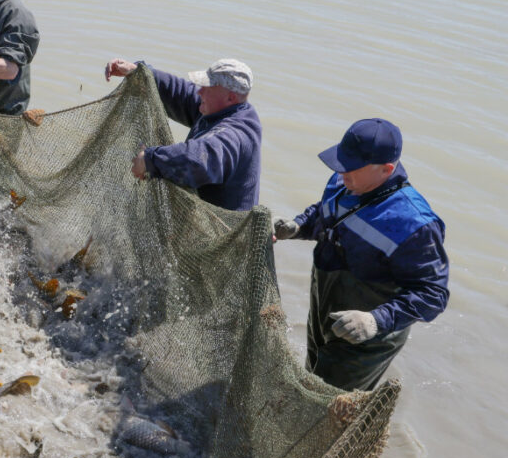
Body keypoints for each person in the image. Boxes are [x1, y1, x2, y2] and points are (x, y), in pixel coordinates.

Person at [274, 118, 449, 391]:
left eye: (351, 169)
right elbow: (325, 212)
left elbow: (433, 294)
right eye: (340, 164)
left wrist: (375, 321)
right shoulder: (345, 180)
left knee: (329, 403)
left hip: (365, 340)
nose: (342, 174)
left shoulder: (414, 224)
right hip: (325, 309)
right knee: (311, 378)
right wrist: (298, 227)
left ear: (386, 169)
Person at [105, 57, 261, 211]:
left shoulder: (236, 133)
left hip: (222, 232)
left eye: (208, 87)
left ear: (230, 97)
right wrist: (138, 72)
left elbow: (199, 159)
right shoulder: (217, 107)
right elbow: (178, 91)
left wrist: (150, 160)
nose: (200, 91)